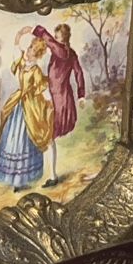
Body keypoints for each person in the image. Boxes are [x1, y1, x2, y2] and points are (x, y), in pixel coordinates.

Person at [0, 34, 53, 191]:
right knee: (12, 139)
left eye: (32, 48)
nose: (29, 49)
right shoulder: (22, 63)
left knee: (25, 140)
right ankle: (13, 178)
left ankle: (21, 179)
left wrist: (49, 102)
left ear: (36, 54)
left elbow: (42, 89)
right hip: (19, 103)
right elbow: (15, 53)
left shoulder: (36, 70)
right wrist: (18, 37)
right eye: (30, 46)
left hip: (30, 106)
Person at [31, 22, 88, 186]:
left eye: (57, 37)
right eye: (55, 37)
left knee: (49, 136)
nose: (55, 40)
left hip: (59, 99)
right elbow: (78, 73)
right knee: (47, 137)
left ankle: (52, 176)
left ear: (63, 39)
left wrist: (37, 30)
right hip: (55, 96)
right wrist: (81, 95)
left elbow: (50, 42)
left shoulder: (62, 51)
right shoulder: (69, 53)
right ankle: (48, 173)